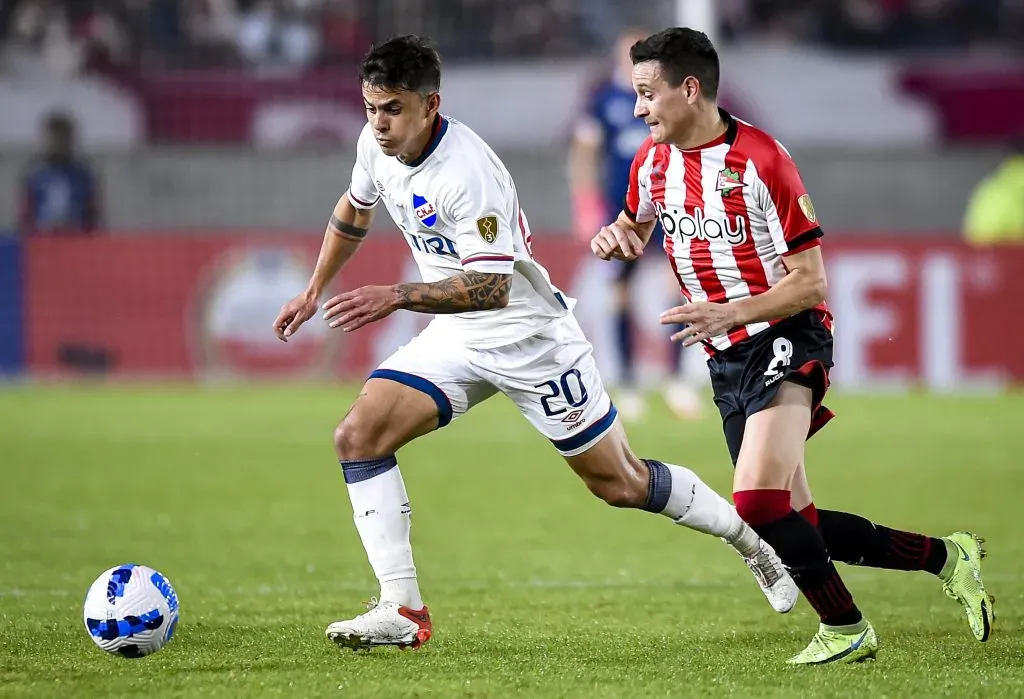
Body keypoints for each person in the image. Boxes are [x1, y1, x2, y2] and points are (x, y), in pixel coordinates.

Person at [273, 34, 797, 652]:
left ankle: (751, 540)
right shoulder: (374, 145)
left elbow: (493, 288)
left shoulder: (469, 172)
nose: (379, 124)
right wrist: (315, 288)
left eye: (392, 109)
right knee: (357, 437)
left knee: (620, 484)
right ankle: (403, 610)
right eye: (370, 108)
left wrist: (398, 293)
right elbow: (355, 209)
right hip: (457, 334)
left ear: (429, 104)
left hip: (530, 340)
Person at [590, 27, 994, 665]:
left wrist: (731, 310)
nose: (638, 109)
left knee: (753, 499)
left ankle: (846, 627)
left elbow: (810, 283)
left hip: (787, 336)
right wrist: (615, 237)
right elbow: (634, 225)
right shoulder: (651, 161)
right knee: (788, 519)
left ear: (689, 89)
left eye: (647, 94)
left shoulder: (762, 161)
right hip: (726, 356)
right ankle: (947, 557)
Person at [569, 28, 703, 422]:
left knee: (677, 287)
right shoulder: (604, 100)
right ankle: (626, 382)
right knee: (620, 292)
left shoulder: (668, 98)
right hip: (621, 210)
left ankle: (676, 379)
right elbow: (584, 154)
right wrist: (585, 205)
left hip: (668, 206)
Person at [20, 111, 101, 234]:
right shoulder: (36, 175)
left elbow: (92, 214)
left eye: (63, 139)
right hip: (42, 239)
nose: (59, 144)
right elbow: (26, 214)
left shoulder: (83, 176)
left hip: (75, 239)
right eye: (55, 139)